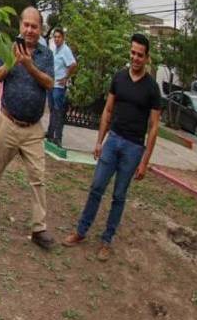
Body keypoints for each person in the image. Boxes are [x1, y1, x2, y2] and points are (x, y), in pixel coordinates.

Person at [62, 33, 161, 260]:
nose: (135, 58)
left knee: (119, 195)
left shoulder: (152, 89)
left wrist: (145, 161)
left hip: (134, 148)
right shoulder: (118, 78)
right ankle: (81, 231)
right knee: (96, 187)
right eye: (133, 53)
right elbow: (107, 111)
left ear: (147, 58)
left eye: (140, 55)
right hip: (113, 140)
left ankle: (107, 240)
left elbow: (154, 127)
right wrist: (99, 141)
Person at [0, 7, 56, 249]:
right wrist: (12, 63)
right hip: (8, 123)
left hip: (32, 130)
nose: (30, 30)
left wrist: (29, 66)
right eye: (26, 25)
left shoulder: (46, 54)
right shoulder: (8, 48)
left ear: (40, 30)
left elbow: (50, 83)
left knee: (38, 178)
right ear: (21, 25)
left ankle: (39, 228)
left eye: (35, 26)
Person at [45, 27, 77, 146]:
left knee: (58, 110)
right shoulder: (55, 49)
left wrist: (66, 77)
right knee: (52, 109)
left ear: (63, 38)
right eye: (55, 37)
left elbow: (73, 64)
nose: (57, 39)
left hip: (59, 85)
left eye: (59, 37)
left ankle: (58, 137)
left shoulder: (65, 50)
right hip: (52, 83)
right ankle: (50, 132)